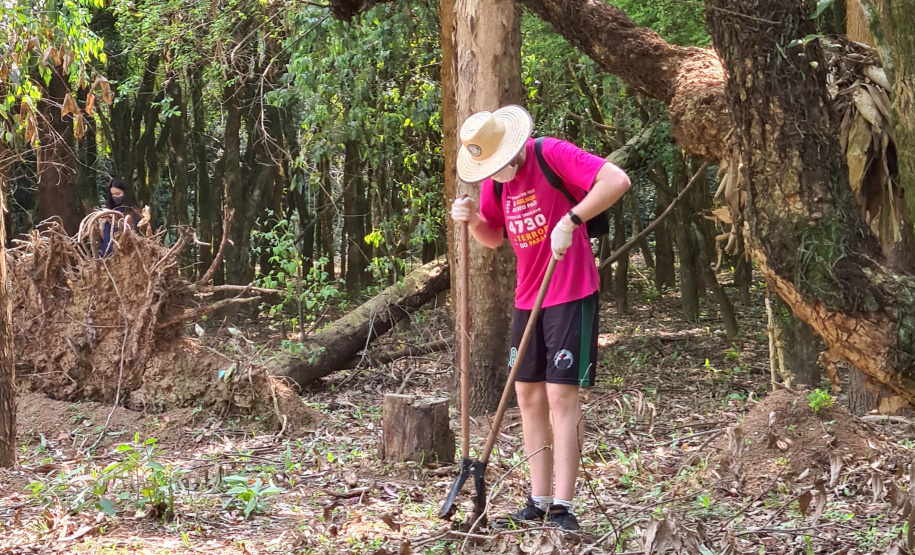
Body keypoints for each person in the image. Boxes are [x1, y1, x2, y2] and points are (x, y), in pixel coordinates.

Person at [450, 105, 631, 531]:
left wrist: (572, 219)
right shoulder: (495, 185)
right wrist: (474, 218)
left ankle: (563, 506)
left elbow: (616, 180)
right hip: (528, 296)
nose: (496, 174)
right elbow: (494, 237)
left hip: (571, 290)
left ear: (514, 149)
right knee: (528, 395)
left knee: (559, 396)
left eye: (500, 165)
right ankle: (538, 496)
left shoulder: (550, 154)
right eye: (487, 170)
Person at [99, 177, 141, 257]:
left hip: (125, 257)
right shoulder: (110, 210)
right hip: (106, 256)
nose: (115, 197)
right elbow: (105, 238)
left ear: (125, 193)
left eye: (118, 194)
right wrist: (102, 224)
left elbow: (134, 236)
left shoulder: (133, 212)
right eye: (113, 195)